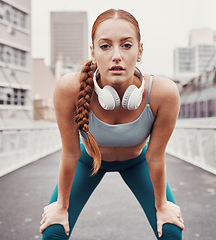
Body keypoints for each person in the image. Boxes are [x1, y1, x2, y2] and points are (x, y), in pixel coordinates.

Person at [40, 8, 184, 240]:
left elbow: (155, 157)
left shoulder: (162, 93)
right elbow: (69, 154)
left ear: (139, 51)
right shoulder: (70, 89)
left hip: (138, 162)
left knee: (170, 230)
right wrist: (61, 206)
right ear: (93, 52)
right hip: (88, 163)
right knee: (53, 230)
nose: (116, 55)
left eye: (126, 45)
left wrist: (162, 206)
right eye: (105, 46)